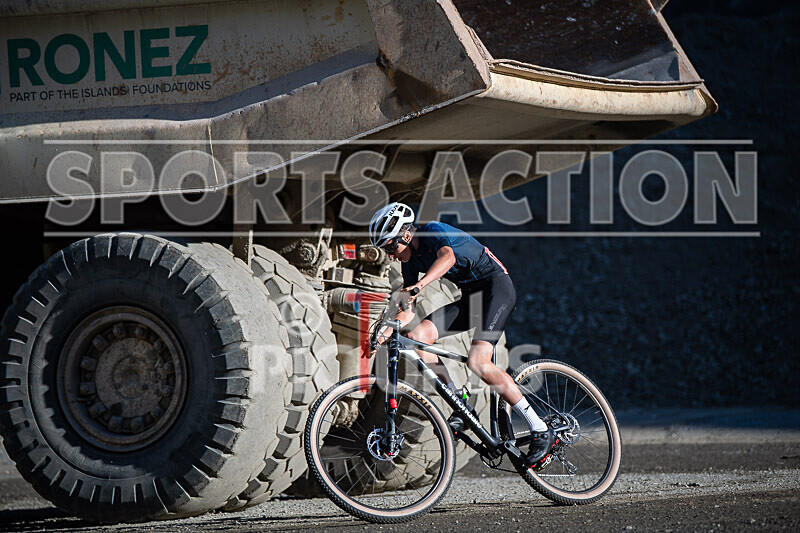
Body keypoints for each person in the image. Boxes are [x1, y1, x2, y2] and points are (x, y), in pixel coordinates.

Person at [368, 202, 556, 467]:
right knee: (419, 338)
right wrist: (385, 332)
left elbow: (448, 258)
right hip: (472, 298)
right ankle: (461, 402)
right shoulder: (408, 261)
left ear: (406, 236)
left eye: (390, 247)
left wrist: (420, 285)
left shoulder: (433, 232)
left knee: (478, 361)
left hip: (496, 289)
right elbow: (407, 310)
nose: (389, 255)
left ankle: (540, 429)